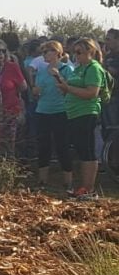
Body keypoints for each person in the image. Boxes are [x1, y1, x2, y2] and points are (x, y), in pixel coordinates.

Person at [56, 38, 106, 199]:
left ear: (90, 52)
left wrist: (68, 88)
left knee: (87, 150)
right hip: (74, 113)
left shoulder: (93, 68)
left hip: (86, 112)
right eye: (73, 52)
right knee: (80, 149)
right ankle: (84, 187)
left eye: (79, 52)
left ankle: (89, 189)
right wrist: (62, 84)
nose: (75, 55)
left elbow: (92, 92)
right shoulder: (78, 68)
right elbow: (71, 89)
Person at [32, 41, 73, 192]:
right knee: (43, 146)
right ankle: (42, 180)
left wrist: (57, 76)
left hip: (60, 111)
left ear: (56, 52)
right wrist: (35, 91)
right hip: (43, 110)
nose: (44, 54)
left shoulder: (66, 68)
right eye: (42, 52)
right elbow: (37, 91)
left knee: (62, 145)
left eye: (46, 51)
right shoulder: (42, 71)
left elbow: (68, 90)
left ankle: (68, 182)